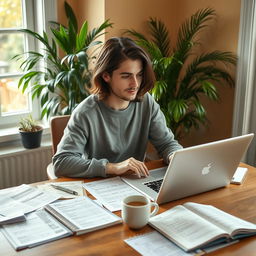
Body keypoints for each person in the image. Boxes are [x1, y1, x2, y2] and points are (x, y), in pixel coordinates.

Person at [53, 37, 182, 178]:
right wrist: (112, 167)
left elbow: (167, 143)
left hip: (136, 182)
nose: (135, 84)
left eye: (139, 75)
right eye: (126, 76)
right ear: (106, 76)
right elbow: (62, 162)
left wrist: (175, 156)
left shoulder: (146, 103)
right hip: (100, 186)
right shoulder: (85, 112)